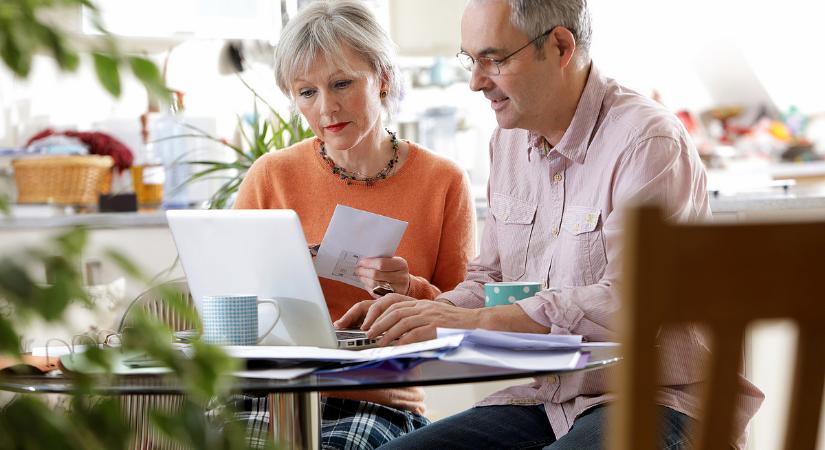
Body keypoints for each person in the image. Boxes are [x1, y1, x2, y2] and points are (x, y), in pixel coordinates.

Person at [336, 0, 765, 449]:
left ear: (560, 46)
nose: (475, 82)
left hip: (662, 400)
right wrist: (422, 314)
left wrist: (473, 320)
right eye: (470, 60)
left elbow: (632, 303)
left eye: (493, 59)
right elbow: (493, 281)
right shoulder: (507, 142)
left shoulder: (647, 143)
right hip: (551, 399)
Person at [232, 1, 476, 448]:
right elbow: (229, 302)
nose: (327, 107)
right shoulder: (271, 176)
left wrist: (409, 291)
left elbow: (463, 325)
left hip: (377, 399)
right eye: (307, 92)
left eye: (342, 83)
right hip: (269, 392)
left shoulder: (442, 181)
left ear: (382, 79)